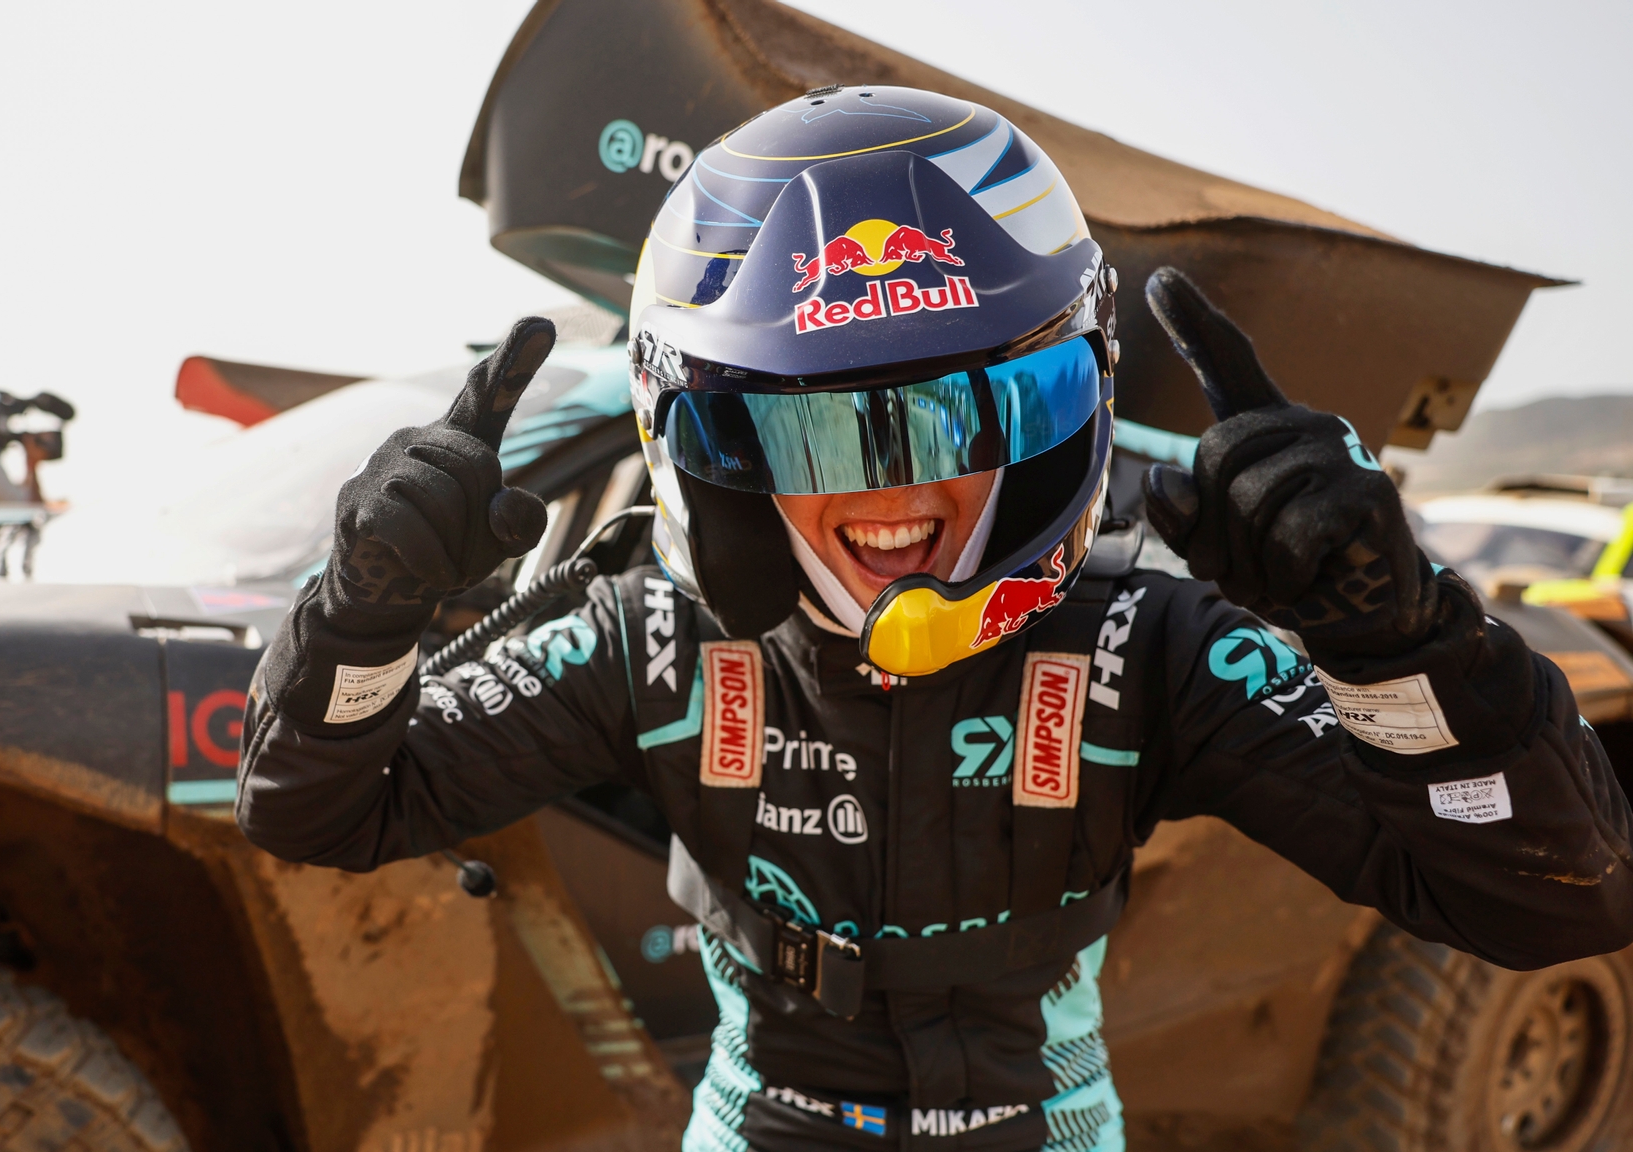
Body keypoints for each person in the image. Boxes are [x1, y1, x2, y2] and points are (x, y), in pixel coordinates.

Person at [237, 87, 1633, 1152]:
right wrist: (362, 610)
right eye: (822, 436)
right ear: (710, 459)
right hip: (758, 1118)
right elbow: (317, 808)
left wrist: (1403, 643)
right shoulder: (651, 634)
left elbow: (1547, 893)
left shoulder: (1140, 642)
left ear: (1055, 416)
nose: (896, 490)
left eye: (962, 413)